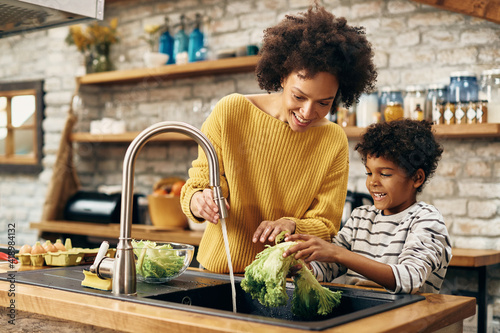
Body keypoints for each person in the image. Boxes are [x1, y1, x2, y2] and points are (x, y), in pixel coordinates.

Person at [180, 3, 377, 273]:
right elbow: (197, 185)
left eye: (324, 102)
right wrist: (199, 201)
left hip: (285, 280)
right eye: (299, 96)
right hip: (218, 274)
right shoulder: (232, 112)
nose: (308, 112)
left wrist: (292, 224)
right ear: (283, 76)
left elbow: (327, 224)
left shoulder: (333, 140)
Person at [283, 119, 451, 294]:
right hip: (365, 313)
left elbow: (409, 279)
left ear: (417, 178)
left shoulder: (427, 219)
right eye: (369, 173)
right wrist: (301, 268)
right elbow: (328, 268)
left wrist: (337, 253)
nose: (373, 182)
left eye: (385, 174)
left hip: (409, 315)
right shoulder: (360, 217)